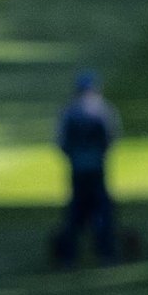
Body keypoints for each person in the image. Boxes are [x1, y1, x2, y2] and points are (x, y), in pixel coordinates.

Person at [53, 71, 122, 267]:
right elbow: (111, 138)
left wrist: (74, 157)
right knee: (102, 208)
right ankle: (106, 252)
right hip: (97, 167)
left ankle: (69, 256)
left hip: (77, 167)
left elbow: (62, 142)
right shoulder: (104, 110)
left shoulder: (69, 111)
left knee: (75, 209)